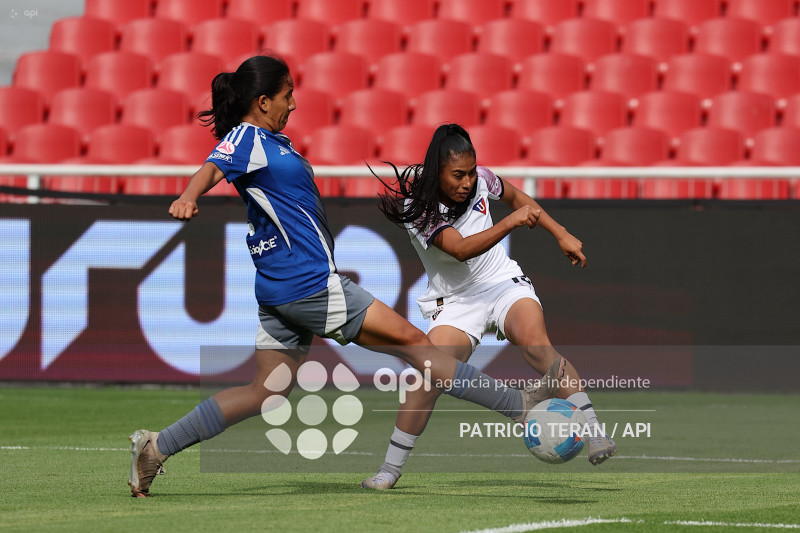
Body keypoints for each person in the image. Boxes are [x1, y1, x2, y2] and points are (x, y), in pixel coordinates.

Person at [127, 56, 565, 497]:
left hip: (280, 288)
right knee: (418, 347)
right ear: (262, 102)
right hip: (310, 283)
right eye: (287, 95)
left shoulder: (271, 143)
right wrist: (188, 196)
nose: (293, 104)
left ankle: (157, 446)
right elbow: (211, 167)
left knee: (266, 391)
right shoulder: (248, 137)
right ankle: (519, 406)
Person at [361, 124, 617, 490]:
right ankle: (389, 471)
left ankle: (595, 434)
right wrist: (512, 222)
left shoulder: (483, 179)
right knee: (429, 375)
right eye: (458, 175)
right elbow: (460, 249)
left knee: (536, 345)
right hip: (455, 300)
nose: (468, 182)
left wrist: (559, 232)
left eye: (470, 172)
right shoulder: (418, 207)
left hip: (500, 283)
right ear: (437, 170)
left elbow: (517, 198)